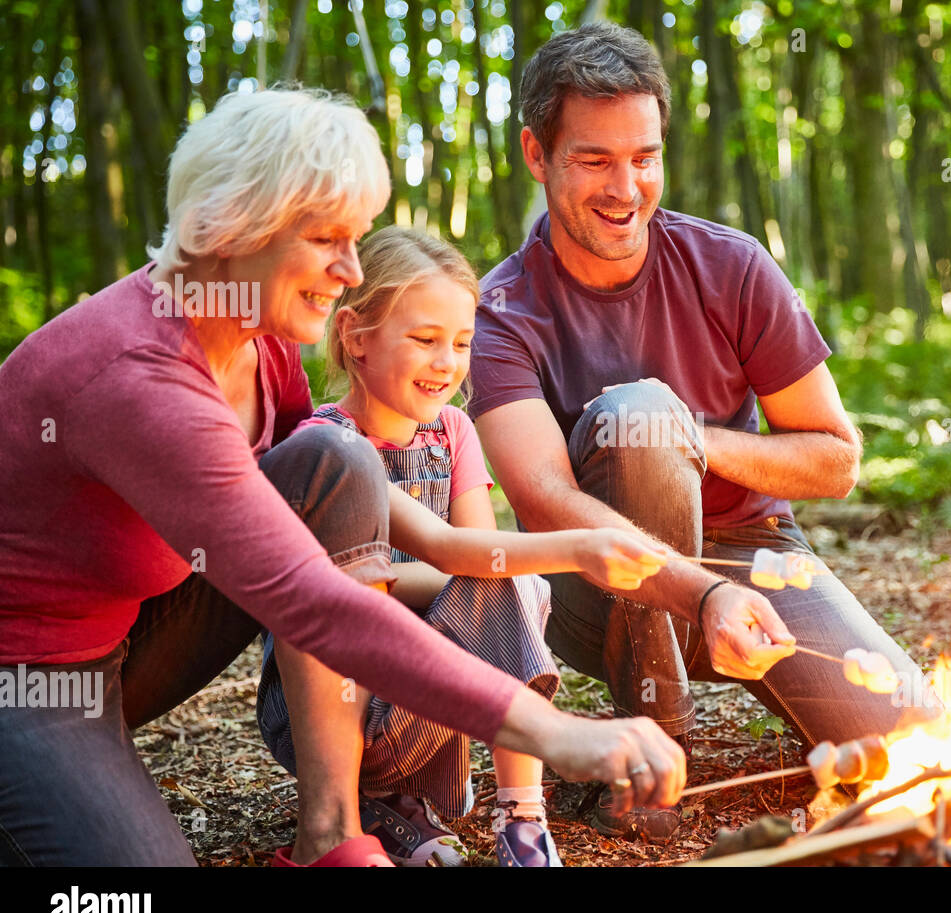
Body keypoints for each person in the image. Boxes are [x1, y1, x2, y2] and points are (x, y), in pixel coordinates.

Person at [0, 87, 683, 867]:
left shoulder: (260, 343)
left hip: (131, 631)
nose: (349, 270)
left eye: (355, 239)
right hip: (28, 675)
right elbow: (311, 600)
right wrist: (562, 734)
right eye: (326, 239)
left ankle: (331, 832)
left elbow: (343, 519)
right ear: (227, 227)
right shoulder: (139, 377)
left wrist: (577, 563)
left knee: (337, 462)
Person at [468, 24, 940, 841]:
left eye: (644, 156)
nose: (626, 188)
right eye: (594, 160)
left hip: (753, 557)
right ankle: (655, 746)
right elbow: (541, 500)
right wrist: (694, 571)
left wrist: (695, 441)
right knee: (639, 415)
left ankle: (691, 718)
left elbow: (835, 460)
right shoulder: (500, 312)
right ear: (535, 154)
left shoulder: (731, 264)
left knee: (917, 742)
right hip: (593, 584)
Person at [259, 226, 666, 867]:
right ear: (356, 338)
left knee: (511, 579)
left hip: (431, 697)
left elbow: (477, 553)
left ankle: (519, 817)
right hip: (347, 712)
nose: (447, 361)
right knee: (507, 577)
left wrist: (491, 570)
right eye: (424, 340)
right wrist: (578, 547)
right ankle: (372, 802)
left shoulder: (453, 432)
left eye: (461, 342)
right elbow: (421, 569)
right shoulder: (329, 446)